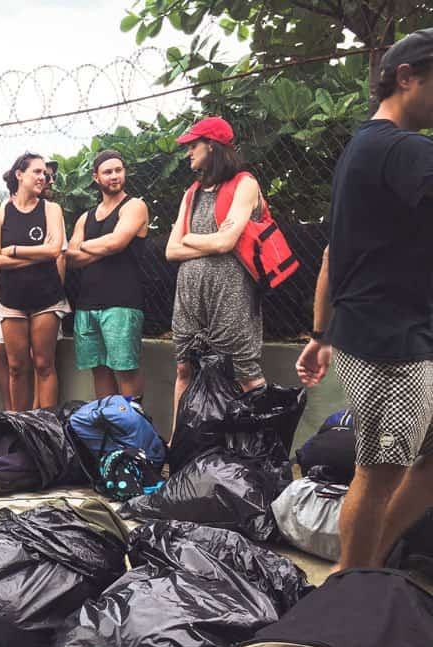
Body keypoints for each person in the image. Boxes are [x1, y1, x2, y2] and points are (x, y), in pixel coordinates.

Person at [296, 28, 433, 572]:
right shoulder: (403, 148)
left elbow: (336, 251)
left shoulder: (363, 148)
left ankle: (368, 567)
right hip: (389, 341)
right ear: (407, 77)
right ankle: (347, 595)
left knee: (413, 464)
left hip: (384, 333)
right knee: (379, 471)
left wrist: (319, 334)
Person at [165, 116, 267, 434]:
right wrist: (212, 243)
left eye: (193, 146)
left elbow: (226, 242)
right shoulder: (191, 193)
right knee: (185, 367)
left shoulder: (245, 184)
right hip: (190, 295)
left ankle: (261, 447)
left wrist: (192, 239)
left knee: (243, 372)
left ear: (212, 145)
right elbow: (171, 250)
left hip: (230, 293)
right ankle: (178, 446)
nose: (188, 153)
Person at [0, 152, 69, 411]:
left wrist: (12, 250)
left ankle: (47, 426)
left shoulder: (51, 209)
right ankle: (21, 427)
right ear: (19, 175)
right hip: (12, 301)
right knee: (16, 367)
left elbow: (54, 249)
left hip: (46, 298)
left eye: (45, 173)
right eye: (37, 171)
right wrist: (36, 254)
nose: (43, 177)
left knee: (44, 364)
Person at [66, 149, 149, 400]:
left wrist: (86, 246)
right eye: (108, 172)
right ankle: (109, 429)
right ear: (96, 177)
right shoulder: (85, 217)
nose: (114, 176)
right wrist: (103, 247)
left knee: (125, 370)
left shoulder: (134, 206)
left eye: (118, 170)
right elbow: (70, 257)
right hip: (87, 305)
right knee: (99, 370)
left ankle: (133, 430)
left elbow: (117, 243)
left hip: (122, 303)